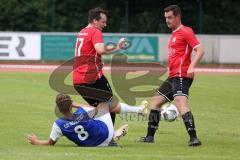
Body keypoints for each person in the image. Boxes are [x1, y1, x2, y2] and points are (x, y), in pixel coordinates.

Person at [139, 5, 204, 146]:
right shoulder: (174, 34)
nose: (167, 21)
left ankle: (194, 138)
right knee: (156, 101)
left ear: (177, 17)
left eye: (170, 17)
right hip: (173, 75)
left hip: (182, 75)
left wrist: (192, 66)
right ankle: (149, 137)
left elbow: (200, 50)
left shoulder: (186, 31)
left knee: (181, 103)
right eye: (166, 18)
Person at [72, 7, 142, 139]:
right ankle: (137, 111)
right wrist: (118, 47)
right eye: (103, 22)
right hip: (92, 78)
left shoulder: (82, 32)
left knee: (100, 109)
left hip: (77, 80)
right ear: (94, 21)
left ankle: (100, 136)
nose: (105, 25)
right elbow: (100, 49)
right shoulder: (95, 31)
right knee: (111, 105)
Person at [27, 93, 148, 147]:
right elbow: (97, 109)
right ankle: (138, 110)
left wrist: (36, 141)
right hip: (105, 136)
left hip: (94, 146)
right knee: (105, 104)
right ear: (71, 105)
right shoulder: (81, 112)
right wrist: (76, 105)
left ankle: (113, 137)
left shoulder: (58, 124)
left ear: (58, 108)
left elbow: (50, 143)